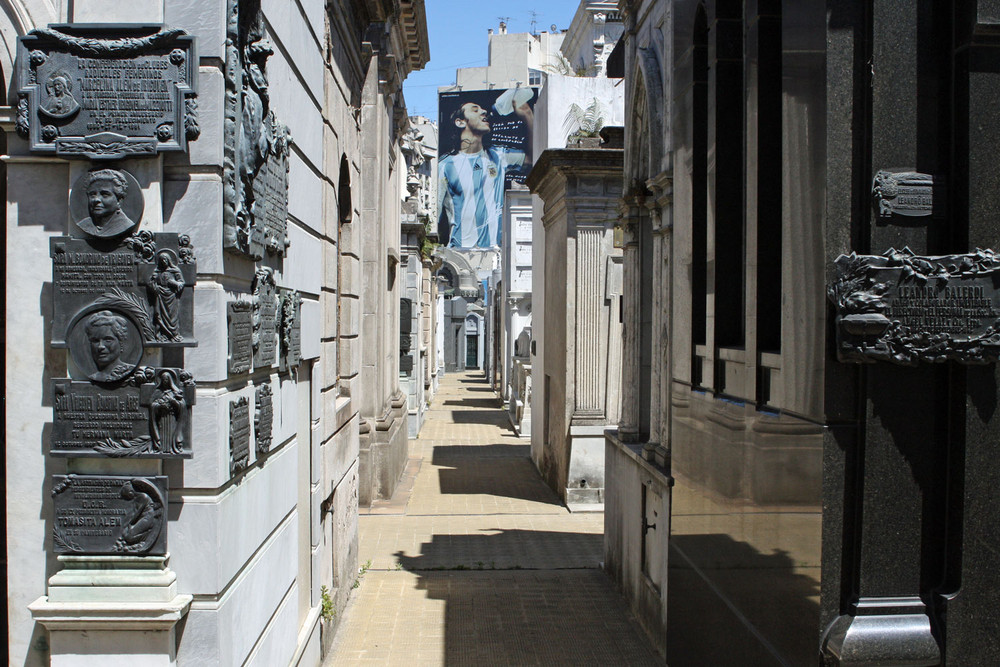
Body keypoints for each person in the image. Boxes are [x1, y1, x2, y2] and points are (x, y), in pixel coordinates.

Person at [438, 89, 533, 248]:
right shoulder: (445, 166)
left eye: (483, 109)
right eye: (475, 109)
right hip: (459, 254)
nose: (484, 112)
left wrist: (528, 116)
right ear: (460, 122)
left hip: (495, 254)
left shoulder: (499, 156)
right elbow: (436, 213)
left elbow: (531, 160)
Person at [76, 169, 137, 238]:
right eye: (92, 194)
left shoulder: (125, 225)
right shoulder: (84, 224)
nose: (96, 199)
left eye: (105, 194)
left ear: (119, 200)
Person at [84, 310, 133, 383]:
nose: (100, 346)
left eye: (108, 340)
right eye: (95, 341)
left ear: (120, 342)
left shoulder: (134, 373)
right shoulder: (90, 379)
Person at [149, 250, 185, 341]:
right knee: (159, 314)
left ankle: (173, 335)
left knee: (173, 316)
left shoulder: (175, 270)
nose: (164, 262)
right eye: (162, 260)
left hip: (172, 296)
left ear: (169, 260)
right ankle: (162, 334)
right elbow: (151, 283)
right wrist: (154, 285)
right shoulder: (157, 271)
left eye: (165, 260)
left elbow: (181, 283)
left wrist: (175, 283)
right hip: (161, 295)